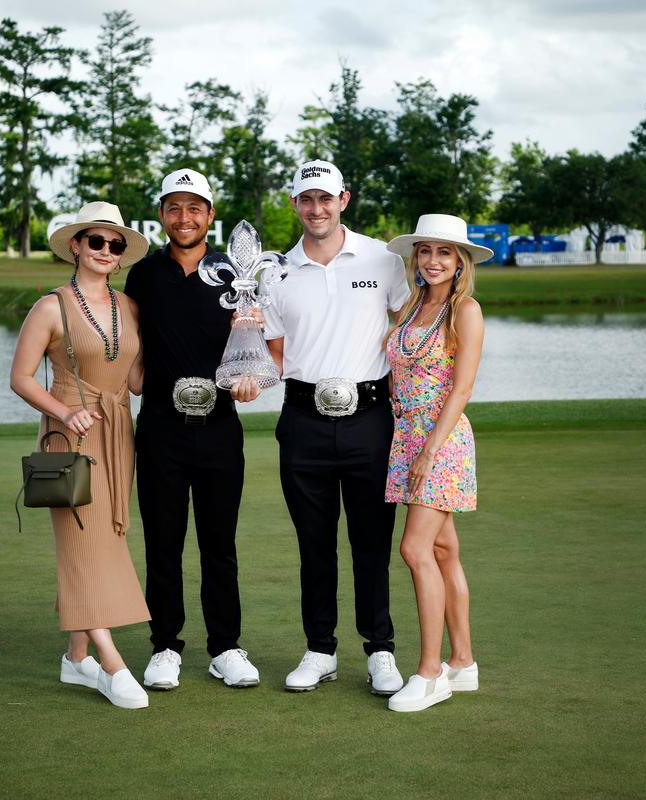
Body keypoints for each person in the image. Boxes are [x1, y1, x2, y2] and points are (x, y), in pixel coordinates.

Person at [259, 160, 409, 695]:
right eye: (306, 199)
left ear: (344, 199)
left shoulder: (382, 257)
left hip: (371, 418)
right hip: (302, 421)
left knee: (372, 542)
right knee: (314, 544)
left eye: (326, 198)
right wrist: (244, 373)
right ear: (294, 204)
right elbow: (272, 352)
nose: (316, 208)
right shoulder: (275, 271)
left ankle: (380, 650)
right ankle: (320, 649)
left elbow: (407, 326)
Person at [9, 201, 151, 709]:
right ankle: (111, 664)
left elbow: (134, 379)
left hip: (117, 433)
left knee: (103, 540)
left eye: (115, 245)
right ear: (76, 245)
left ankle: (75, 658)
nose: (107, 251)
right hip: (71, 437)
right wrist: (65, 413)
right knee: (83, 544)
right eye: (97, 241)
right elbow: (21, 377)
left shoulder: (129, 306)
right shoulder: (50, 306)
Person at [124, 168, 260, 690]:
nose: (184, 218)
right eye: (174, 208)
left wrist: (250, 377)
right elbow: (132, 340)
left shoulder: (234, 274)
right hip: (160, 426)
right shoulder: (144, 273)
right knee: (163, 541)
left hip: (220, 426)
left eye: (194, 208)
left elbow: (252, 341)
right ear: (161, 215)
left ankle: (225, 646)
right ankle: (165, 645)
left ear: (210, 214)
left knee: (219, 543)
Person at [380, 214, 488, 713]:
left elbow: (462, 388)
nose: (433, 261)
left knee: (414, 549)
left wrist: (428, 450)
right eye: (425, 251)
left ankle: (429, 674)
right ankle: (462, 663)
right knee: (444, 553)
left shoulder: (465, 311)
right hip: (405, 436)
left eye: (445, 253)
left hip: (440, 441)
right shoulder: (408, 307)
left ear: (460, 260)